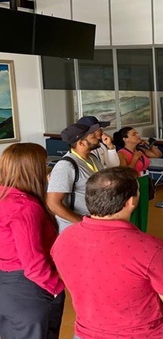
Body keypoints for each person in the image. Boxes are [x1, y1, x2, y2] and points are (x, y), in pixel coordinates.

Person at [51, 167, 163, 339]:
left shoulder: (63, 239)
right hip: (145, 334)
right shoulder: (148, 247)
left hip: (86, 333)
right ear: (130, 202)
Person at [0, 143, 66, 339]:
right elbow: (33, 263)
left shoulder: (5, 197)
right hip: (27, 288)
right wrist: (56, 287)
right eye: (44, 164)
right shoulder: (24, 206)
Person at [47, 123, 104, 233]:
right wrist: (82, 223)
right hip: (76, 229)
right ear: (81, 143)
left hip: (95, 224)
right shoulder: (66, 166)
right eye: (92, 136)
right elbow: (53, 204)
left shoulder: (93, 158)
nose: (98, 137)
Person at [113, 126, 163, 232]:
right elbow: (125, 171)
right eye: (134, 134)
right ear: (125, 139)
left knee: (143, 209)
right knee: (133, 210)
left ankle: (142, 232)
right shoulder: (122, 153)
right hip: (133, 182)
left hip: (144, 181)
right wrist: (135, 158)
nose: (138, 135)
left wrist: (150, 144)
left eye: (137, 133)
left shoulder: (140, 150)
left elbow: (157, 154)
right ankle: (132, 233)